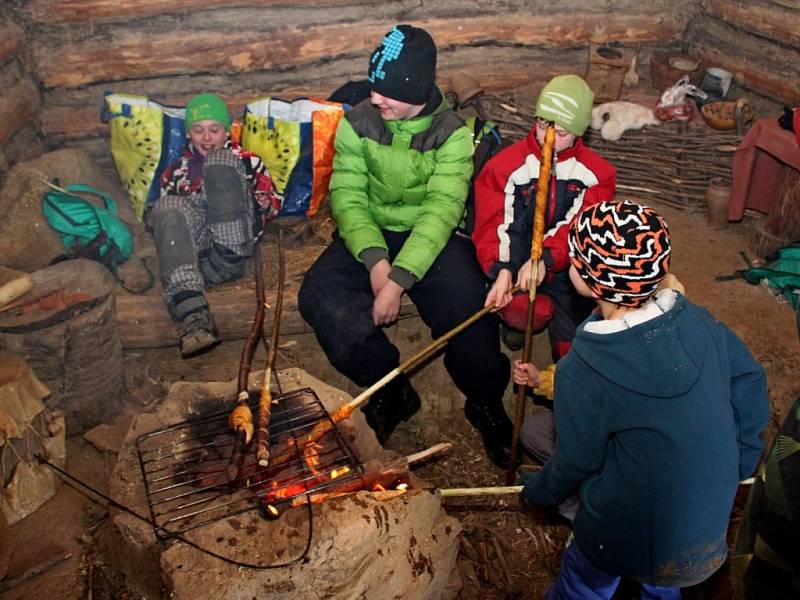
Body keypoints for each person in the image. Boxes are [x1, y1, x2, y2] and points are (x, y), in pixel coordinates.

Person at [516, 200, 769, 599]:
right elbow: (751, 381)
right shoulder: (697, 320)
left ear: (584, 276)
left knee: (583, 585)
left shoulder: (584, 367)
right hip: (698, 529)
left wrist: (539, 491)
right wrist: (739, 461)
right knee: (663, 586)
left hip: (619, 531)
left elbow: (577, 459)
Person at [298, 25, 513, 467]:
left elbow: (441, 211)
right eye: (374, 89)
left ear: (416, 89)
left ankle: (485, 399)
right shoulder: (358, 122)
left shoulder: (452, 135)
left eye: (387, 93)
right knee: (322, 297)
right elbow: (349, 197)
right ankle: (391, 389)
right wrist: (376, 261)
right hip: (369, 230)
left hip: (428, 237)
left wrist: (398, 280)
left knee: (469, 308)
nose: (376, 99)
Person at [472, 74, 616, 360]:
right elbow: (495, 222)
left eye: (561, 133)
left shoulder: (597, 175)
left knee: (575, 344)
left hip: (567, 266)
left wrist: (546, 257)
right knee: (522, 309)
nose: (547, 137)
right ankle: (515, 324)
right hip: (517, 259)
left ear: (580, 132)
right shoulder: (505, 166)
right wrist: (502, 268)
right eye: (542, 125)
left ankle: (563, 365)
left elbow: (578, 227)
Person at [147, 93, 278, 357]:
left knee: (219, 161)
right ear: (188, 135)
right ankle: (194, 318)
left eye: (214, 130)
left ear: (226, 130)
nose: (206, 138)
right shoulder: (175, 172)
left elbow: (274, 201)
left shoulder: (247, 160)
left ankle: (227, 255)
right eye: (198, 130)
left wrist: (264, 203)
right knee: (165, 206)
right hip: (198, 259)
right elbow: (168, 221)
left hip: (231, 249)